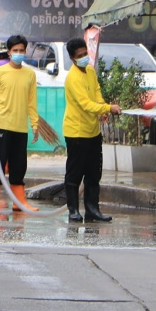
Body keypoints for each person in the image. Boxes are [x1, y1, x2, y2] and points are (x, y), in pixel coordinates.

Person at [62, 37, 122, 223]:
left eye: (85, 53)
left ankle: (92, 210)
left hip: (93, 132)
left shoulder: (89, 70)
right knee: (74, 174)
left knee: (94, 173)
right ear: (72, 58)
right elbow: (86, 104)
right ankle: (73, 210)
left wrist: (102, 107)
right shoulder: (72, 78)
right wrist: (107, 108)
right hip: (76, 132)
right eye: (79, 56)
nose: (84, 58)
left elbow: (95, 93)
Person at [0, 34, 39, 212]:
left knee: (19, 165)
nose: (19, 53)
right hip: (1, 125)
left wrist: (35, 124)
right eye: (15, 50)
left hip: (20, 126)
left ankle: (18, 201)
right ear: (9, 52)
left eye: (22, 50)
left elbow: (32, 102)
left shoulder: (30, 74)